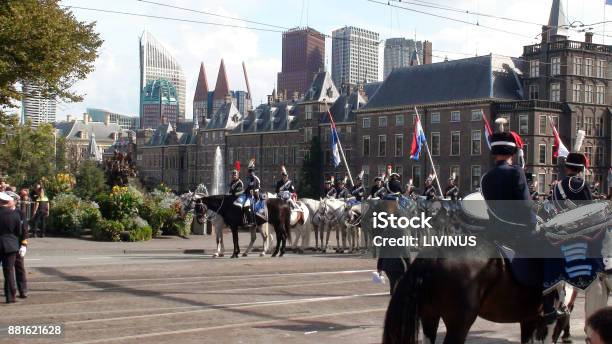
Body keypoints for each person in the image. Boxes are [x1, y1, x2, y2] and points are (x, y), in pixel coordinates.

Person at [481, 131, 564, 324]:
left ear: (495, 152)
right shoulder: (516, 172)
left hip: (493, 233)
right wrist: (537, 224)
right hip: (517, 232)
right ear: (512, 152)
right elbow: (526, 207)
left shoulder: (486, 177)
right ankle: (549, 305)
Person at [0, 192, 27, 303]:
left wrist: (24, 244)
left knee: (18, 268)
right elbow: (19, 231)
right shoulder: (14, 215)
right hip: (12, 245)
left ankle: (22, 290)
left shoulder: (19, 212)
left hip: (12, 244)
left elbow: (24, 230)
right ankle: (11, 297)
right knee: (9, 271)